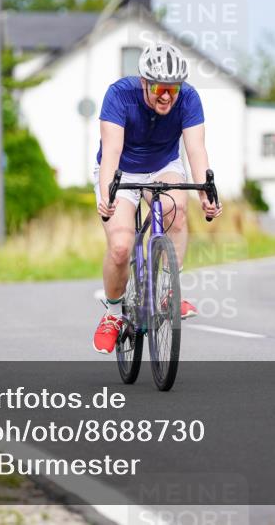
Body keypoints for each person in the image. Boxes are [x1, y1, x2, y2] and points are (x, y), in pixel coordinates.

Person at [92, 42, 223, 354]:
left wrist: (207, 192)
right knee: (121, 248)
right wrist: (107, 192)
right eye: (160, 88)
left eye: (173, 89)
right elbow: (110, 151)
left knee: (176, 208)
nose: (167, 95)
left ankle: (168, 292)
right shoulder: (119, 94)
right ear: (144, 82)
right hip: (121, 171)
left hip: (163, 166)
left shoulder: (189, 98)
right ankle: (112, 315)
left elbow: (195, 151)